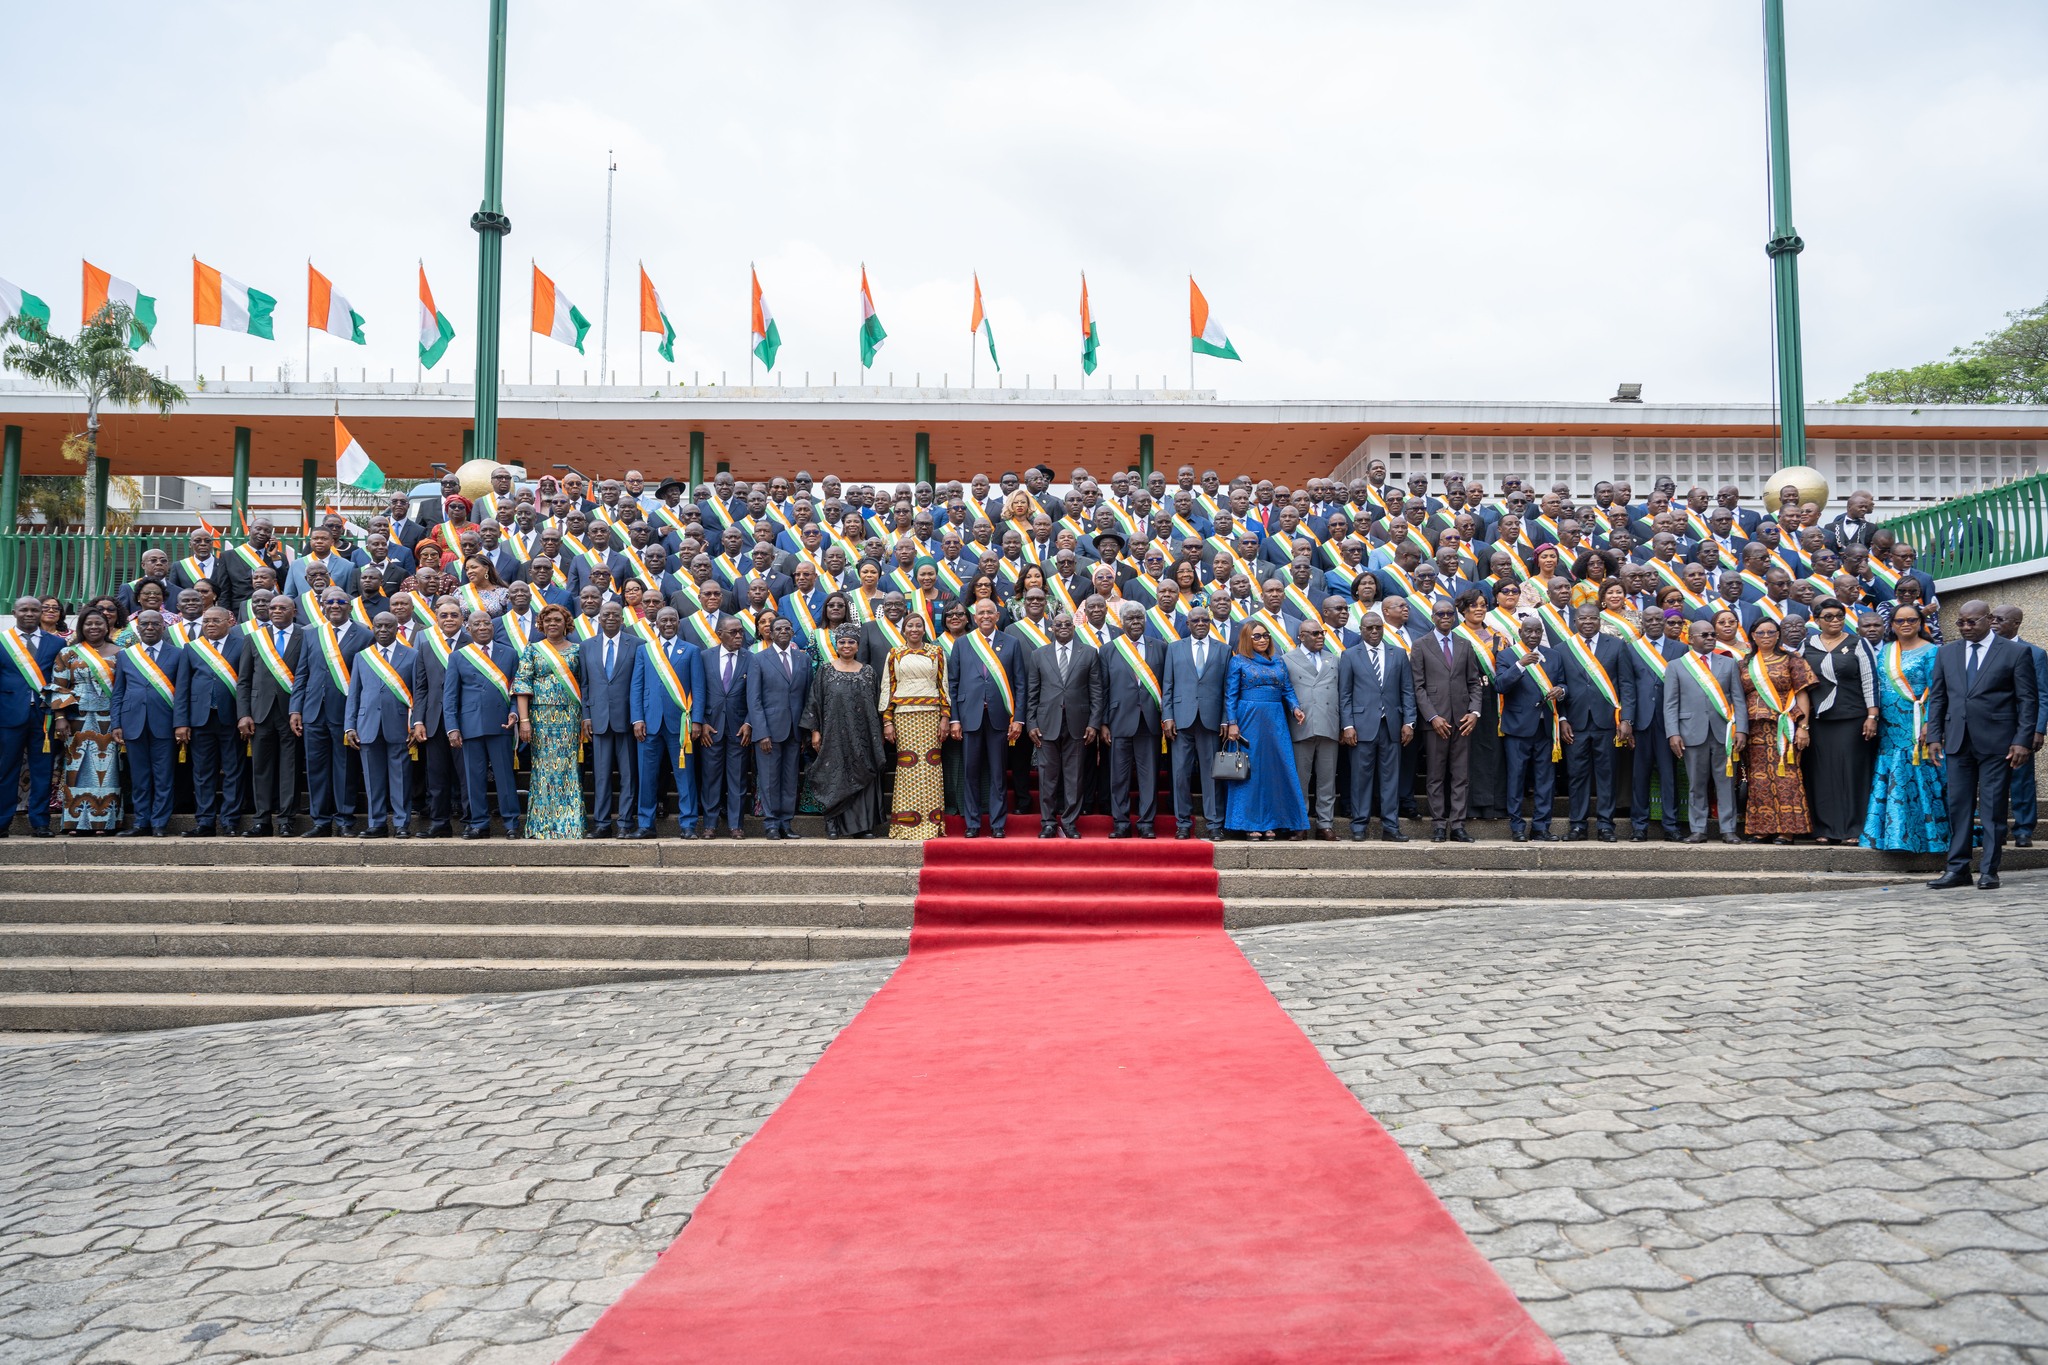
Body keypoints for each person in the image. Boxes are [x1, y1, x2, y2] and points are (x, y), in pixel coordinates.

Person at [1924, 599, 2038, 890]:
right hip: (1957, 741)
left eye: (1971, 622)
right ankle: (1958, 869)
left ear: (1988, 619)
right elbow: (1938, 697)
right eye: (1960, 622)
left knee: (1992, 808)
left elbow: (2027, 700)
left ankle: (1989, 871)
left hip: (1998, 744)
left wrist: (2023, 740)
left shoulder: (2015, 652)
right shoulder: (1947, 653)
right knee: (1959, 807)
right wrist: (1935, 736)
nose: (1965, 627)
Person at [1862, 602, 1947, 853]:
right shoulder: (1886, 651)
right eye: (1900, 621)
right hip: (1889, 726)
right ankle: (1892, 834)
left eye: (1912, 620)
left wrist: (1931, 724)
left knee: (1919, 773)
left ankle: (1927, 835)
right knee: (1892, 773)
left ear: (1921, 623)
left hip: (1916, 723)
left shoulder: (1933, 651)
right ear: (1893, 625)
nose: (1906, 624)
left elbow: (1938, 691)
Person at [291, 590, 373, 838]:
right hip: (313, 711)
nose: (335, 605)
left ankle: (345, 820)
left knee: (345, 768)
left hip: (345, 714)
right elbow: (302, 673)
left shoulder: (365, 635)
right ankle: (321, 821)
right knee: (315, 768)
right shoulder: (312, 634)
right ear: (323, 606)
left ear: (349, 607)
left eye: (340, 602)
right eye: (330, 602)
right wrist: (295, 708)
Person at [1221, 618, 1309, 841]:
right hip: (1249, 719)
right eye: (1257, 636)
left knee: (1275, 770)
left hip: (1276, 719)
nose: (1262, 639)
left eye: (1265, 635)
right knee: (1251, 771)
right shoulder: (1238, 661)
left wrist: (1295, 708)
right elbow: (1230, 695)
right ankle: (1250, 824)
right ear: (1247, 639)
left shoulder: (1279, 662)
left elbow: (1287, 689)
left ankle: (1273, 822)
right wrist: (1232, 723)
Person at [801, 624, 890, 838]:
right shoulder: (825, 671)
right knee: (835, 777)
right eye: (842, 642)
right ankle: (832, 824)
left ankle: (861, 826)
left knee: (863, 775)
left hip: (863, 737)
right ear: (836, 645)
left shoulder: (868, 672)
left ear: (858, 645)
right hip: (833, 736)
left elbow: (878, 703)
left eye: (851, 642)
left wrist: (880, 731)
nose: (847, 645)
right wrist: (815, 731)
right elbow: (815, 701)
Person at [1664, 619, 1748, 844]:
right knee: (1696, 784)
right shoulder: (1676, 666)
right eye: (1705, 635)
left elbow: (1738, 699)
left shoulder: (1728, 663)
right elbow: (1670, 703)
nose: (1710, 638)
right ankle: (1698, 829)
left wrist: (1742, 730)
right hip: (1691, 732)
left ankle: (1728, 829)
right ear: (1691, 639)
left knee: (1726, 783)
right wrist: (1673, 733)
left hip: (1725, 732)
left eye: (1712, 635)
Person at [1802, 599, 1878, 844]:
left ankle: (1852, 829)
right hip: (1819, 719)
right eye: (1829, 617)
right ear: (1816, 620)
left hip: (1852, 717)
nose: (1835, 621)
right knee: (1821, 773)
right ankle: (1824, 828)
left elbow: (1869, 680)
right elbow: (1801, 684)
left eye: (1839, 616)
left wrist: (1872, 715)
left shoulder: (1858, 643)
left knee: (1852, 772)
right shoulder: (1807, 645)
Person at [1557, 604, 1636, 842]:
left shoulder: (1617, 645)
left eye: (1593, 618)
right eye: (1583, 618)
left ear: (1599, 621)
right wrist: (1561, 718)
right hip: (1575, 722)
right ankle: (1578, 825)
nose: (1588, 622)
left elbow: (1627, 685)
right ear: (1575, 621)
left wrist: (1626, 719)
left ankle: (1605, 825)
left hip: (1607, 723)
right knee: (1577, 775)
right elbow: (1559, 684)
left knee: (1606, 775)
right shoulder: (1563, 649)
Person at [948, 598, 1025, 838]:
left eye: (989, 613)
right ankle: (972, 824)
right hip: (969, 718)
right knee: (970, 773)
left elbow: (1020, 684)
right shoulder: (962, 644)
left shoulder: (1011, 643)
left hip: (1000, 718)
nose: (985, 616)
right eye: (980, 613)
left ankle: (997, 824)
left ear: (997, 616)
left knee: (998, 774)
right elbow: (953, 684)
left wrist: (1018, 719)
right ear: (974, 617)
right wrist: (955, 719)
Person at [344, 612, 423, 839]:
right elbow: (354, 694)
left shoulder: (411, 654)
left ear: (397, 628)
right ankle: (376, 823)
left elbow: (417, 693)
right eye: (378, 626)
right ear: (373, 628)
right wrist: (350, 726)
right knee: (373, 778)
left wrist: (414, 722)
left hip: (399, 724)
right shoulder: (362, 657)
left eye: (388, 626)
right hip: (367, 724)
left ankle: (401, 824)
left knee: (400, 777)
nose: (383, 630)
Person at [513, 604, 589, 840]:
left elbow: (585, 684)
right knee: (543, 771)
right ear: (541, 625)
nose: (552, 624)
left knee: (568, 769)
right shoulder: (533, 650)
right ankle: (541, 825)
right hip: (540, 718)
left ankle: (570, 824)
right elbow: (522, 686)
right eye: (547, 621)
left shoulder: (578, 650)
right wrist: (524, 721)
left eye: (557, 620)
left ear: (566, 623)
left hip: (570, 717)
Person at [445, 610, 524, 840]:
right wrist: (452, 727)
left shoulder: (509, 654)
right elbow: (451, 696)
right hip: (469, 726)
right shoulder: (459, 656)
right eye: (476, 624)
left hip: (501, 725)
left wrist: (514, 713)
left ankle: (511, 823)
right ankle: (479, 823)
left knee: (505, 777)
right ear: (467, 629)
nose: (482, 627)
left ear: (493, 626)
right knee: (474, 777)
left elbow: (515, 690)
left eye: (486, 623)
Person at [1338, 611, 1415, 841]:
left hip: (1392, 725)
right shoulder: (1350, 655)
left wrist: (1409, 722)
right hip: (1361, 727)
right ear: (1361, 630)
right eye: (1369, 628)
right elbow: (1345, 695)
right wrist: (1347, 725)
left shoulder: (1399, 654)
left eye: (1378, 628)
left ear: (1383, 628)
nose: (1374, 632)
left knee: (1391, 777)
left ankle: (1390, 827)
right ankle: (1359, 825)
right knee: (1360, 778)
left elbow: (1407, 691)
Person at [1739, 618, 1816, 843]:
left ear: (1778, 634)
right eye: (1760, 632)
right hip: (1754, 729)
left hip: (1784, 727)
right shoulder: (1745, 663)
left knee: (1786, 777)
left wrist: (1804, 727)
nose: (1765, 636)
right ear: (1753, 635)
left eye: (1770, 632)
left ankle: (1787, 830)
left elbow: (1803, 692)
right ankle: (1762, 827)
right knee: (1758, 779)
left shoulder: (1792, 660)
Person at [1412, 601, 1483, 842]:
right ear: (1432, 617)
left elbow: (1474, 682)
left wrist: (1474, 712)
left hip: (1463, 720)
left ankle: (1458, 825)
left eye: (1449, 613)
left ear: (1455, 617)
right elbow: (1418, 687)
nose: (1445, 617)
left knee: (1461, 775)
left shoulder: (1465, 644)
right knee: (1435, 776)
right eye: (1440, 613)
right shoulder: (1421, 645)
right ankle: (1439, 825)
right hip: (1436, 723)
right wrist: (1432, 717)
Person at [629, 606, 703, 839]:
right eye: (664, 620)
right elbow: (637, 687)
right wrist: (637, 718)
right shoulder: (645, 650)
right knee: (646, 776)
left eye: (673, 619)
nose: (668, 623)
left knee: (685, 775)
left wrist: (698, 720)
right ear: (656, 624)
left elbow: (699, 689)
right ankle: (645, 824)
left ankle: (688, 824)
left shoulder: (691, 651)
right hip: (649, 723)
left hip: (680, 724)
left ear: (678, 623)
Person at [172, 606, 246, 837]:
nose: (210, 625)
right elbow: (182, 688)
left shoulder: (242, 645)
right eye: (206, 621)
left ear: (229, 622)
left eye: (216, 620)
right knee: (203, 772)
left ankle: (230, 821)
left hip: (231, 718)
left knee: (234, 771)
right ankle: (205, 821)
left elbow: (246, 683)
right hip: (200, 720)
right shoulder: (192, 648)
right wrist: (181, 722)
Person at [48, 608, 122, 835]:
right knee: (76, 769)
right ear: (81, 626)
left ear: (107, 626)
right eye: (89, 624)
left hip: (109, 719)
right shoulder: (68, 653)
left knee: (108, 771)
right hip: (77, 719)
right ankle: (75, 821)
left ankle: (105, 822)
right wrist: (60, 717)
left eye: (98, 623)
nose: (94, 628)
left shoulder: (122, 653)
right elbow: (59, 686)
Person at [110, 609, 183, 837]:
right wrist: (116, 724)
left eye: (154, 624)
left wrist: (180, 723)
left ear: (163, 627)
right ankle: (142, 822)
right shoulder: (126, 656)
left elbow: (181, 693)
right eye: (144, 624)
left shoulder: (178, 654)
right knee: (140, 778)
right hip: (133, 724)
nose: (149, 628)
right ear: (137, 628)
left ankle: (159, 823)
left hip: (165, 724)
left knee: (163, 777)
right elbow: (118, 693)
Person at [878, 612, 949, 840]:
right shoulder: (894, 653)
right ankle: (906, 825)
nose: (915, 629)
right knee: (908, 767)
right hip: (904, 716)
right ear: (904, 629)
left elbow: (943, 685)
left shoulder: (936, 652)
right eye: (910, 626)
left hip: (931, 715)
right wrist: (887, 720)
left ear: (924, 629)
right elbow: (888, 687)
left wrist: (945, 717)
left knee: (931, 768)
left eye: (919, 625)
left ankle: (931, 825)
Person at [237, 595, 303, 838]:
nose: (275, 611)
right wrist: (243, 714)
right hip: (260, 713)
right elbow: (243, 680)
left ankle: (286, 819)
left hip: (291, 713)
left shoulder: (305, 635)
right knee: (261, 768)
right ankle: (262, 820)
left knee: (290, 767)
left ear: (293, 611)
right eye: (272, 607)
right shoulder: (254, 638)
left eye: (282, 607)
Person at [1099, 602, 1166, 839]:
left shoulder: (1160, 648)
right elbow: (1103, 689)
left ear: (1145, 621)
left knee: (1149, 776)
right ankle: (1121, 822)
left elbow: (1166, 687)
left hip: (1149, 721)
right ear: (1122, 622)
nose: (1136, 622)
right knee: (1119, 776)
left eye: (1139, 618)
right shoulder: (1108, 650)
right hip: (1118, 721)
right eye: (1130, 618)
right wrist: (1103, 723)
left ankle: (1146, 822)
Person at [1494, 616, 1564, 842]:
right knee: (1516, 778)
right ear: (1520, 632)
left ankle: (1541, 827)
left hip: (1545, 727)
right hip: (1517, 728)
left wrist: (1561, 691)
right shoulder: (1507, 656)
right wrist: (1520, 665)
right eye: (1529, 631)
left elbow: (1563, 683)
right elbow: (1500, 685)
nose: (1533, 635)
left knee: (1545, 780)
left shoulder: (1553, 656)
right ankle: (1517, 827)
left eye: (1537, 631)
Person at [0, 595, 64, 837]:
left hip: (44, 717)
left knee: (43, 770)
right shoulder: (2, 641)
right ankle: (2, 821)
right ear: (14, 613)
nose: (29, 613)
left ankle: (40, 822)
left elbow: (60, 680)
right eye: (24, 610)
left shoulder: (56, 644)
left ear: (41, 614)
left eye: (34, 610)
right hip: (8, 716)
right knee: (6, 770)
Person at [1160, 606, 1226, 839]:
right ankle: (1183, 824)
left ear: (1210, 623)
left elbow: (1227, 689)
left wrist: (1227, 719)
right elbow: (1167, 685)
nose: (1200, 623)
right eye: (1195, 620)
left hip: (1211, 720)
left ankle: (1214, 823)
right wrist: (1167, 717)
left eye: (1204, 620)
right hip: (1181, 720)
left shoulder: (1223, 649)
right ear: (1187, 624)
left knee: (1211, 774)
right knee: (1180, 774)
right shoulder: (1174, 648)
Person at [579, 602, 642, 839]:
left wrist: (638, 718)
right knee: (601, 776)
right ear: (600, 619)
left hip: (627, 719)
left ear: (623, 618)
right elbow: (584, 684)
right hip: (598, 719)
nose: (611, 617)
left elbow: (639, 684)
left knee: (628, 775)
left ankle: (625, 823)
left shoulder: (637, 644)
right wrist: (586, 715)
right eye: (607, 614)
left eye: (616, 614)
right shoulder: (586, 646)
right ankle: (602, 824)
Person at [747, 618, 812, 840]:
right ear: (770, 634)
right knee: (768, 779)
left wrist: (805, 730)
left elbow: (807, 697)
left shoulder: (803, 659)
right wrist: (761, 732)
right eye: (778, 629)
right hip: (769, 731)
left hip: (795, 731)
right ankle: (771, 824)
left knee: (790, 778)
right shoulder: (758, 659)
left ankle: (786, 822)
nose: (783, 631)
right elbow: (754, 700)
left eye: (787, 628)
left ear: (793, 632)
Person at [1990, 604, 2048, 848]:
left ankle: (2023, 830)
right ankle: (1997, 829)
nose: (1993, 622)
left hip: (2020, 728)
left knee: (2022, 779)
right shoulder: (1984, 650)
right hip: (1989, 726)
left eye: (2000, 619)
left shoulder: (2035, 653)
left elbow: (2043, 695)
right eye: (1991, 618)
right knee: (1993, 782)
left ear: (2016, 623)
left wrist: (2038, 729)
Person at [1283, 617, 1343, 840]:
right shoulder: (1287, 659)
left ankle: (1325, 824)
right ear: (1301, 636)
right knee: (1301, 779)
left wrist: (1344, 724)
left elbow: (1342, 694)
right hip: (1302, 725)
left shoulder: (1333, 659)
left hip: (1328, 724)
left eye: (1322, 633)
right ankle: (1300, 822)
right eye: (1315, 633)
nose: (1320, 637)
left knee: (1327, 779)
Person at [698, 617, 754, 839]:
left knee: (738, 779)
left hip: (739, 729)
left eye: (741, 632)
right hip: (710, 729)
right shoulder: (704, 657)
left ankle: (735, 825)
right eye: (733, 632)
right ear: (720, 633)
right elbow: (697, 690)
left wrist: (749, 722)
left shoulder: (751, 659)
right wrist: (700, 721)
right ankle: (710, 824)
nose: (739, 636)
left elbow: (755, 695)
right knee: (711, 778)